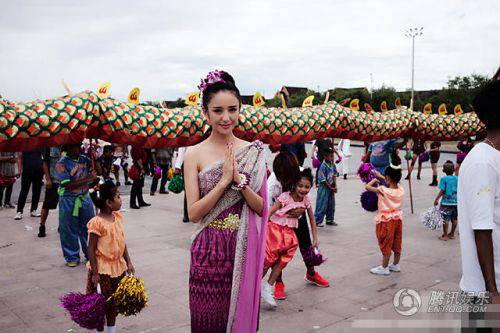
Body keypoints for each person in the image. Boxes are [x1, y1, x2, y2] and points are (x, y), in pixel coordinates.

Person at [184, 70, 267, 332]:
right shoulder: (193, 154)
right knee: (206, 321)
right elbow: (195, 213)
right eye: (218, 110)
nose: (226, 117)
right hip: (207, 250)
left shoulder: (252, 152)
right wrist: (223, 181)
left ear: (241, 109)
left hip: (241, 247)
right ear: (205, 113)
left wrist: (240, 182)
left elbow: (262, 207)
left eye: (232, 109)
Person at [458, 80, 500, 330]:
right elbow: (482, 230)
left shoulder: (494, 157)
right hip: (484, 295)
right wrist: (492, 294)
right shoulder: (483, 162)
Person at [267, 152, 330, 300]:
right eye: (282, 177)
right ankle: (279, 282)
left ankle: (311, 273)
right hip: (279, 221)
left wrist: (301, 211)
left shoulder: (301, 172)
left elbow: (307, 200)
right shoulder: (272, 186)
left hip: (297, 217)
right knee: (278, 251)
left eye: (289, 177)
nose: (286, 180)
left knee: (306, 244)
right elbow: (269, 212)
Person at [262, 168, 319, 307]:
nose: (303, 189)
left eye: (307, 186)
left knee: (283, 261)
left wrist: (315, 239)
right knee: (267, 261)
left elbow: (312, 219)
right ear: (294, 184)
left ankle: (267, 288)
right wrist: (262, 231)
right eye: (300, 185)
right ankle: (251, 287)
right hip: (275, 231)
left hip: (289, 235)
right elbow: (270, 211)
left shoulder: (306, 201)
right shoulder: (285, 197)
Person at [87, 181, 135, 333]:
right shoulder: (97, 223)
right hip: (102, 270)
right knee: (103, 304)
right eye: (118, 197)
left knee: (114, 304)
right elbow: (91, 248)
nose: (121, 200)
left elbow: (122, 241)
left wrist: (128, 261)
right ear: (108, 202)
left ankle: (111, 331)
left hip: (117, 267)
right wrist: (95, 273)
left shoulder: (117, 217)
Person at [56, 143, 96, 267]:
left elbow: (97, 171)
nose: (78, 149)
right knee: (69, 228)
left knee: (89, 227)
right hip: (68, 199)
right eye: (74, 146)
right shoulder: (61, 164)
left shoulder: (85, 159)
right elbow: (66, 185)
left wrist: (95, 158)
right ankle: (71, 256)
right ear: (67, 148)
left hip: (84, 197)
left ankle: (90, 254)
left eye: (79, 146)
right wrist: (88, 179)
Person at [366, 153, 404, 276]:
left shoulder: (383, 190)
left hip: (386, 220)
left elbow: (367, 187)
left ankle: (384, 267)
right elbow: (392, 182)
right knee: (397, 241)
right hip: (397, 219)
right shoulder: (400, 189)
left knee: (386, 242)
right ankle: (396, 264)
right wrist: (382, 176)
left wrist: (374, 179)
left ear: (387, 178)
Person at [38, 146, 62, 238]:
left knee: (63, 204)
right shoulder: (50, 146)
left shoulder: (66, 146)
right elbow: (45, 162)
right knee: (47, 204)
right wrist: (48, 179)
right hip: (53, 180)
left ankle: (61, 225)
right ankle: (42, 226)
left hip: (65, 181)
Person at [14, 149, 43, 220]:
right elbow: (19, 158)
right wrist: (19, 170)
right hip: (27, 171)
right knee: (24, 191)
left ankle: (33, 210)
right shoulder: (24, 144)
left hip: (38, 171)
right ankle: (19, 211)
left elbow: (43, 158)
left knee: (36, 191)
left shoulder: (39, 144)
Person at [434, 161, 458, 241]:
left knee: (446, 219)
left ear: (444, 170)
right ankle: (452, 233)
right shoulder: (457, 178)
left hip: (446, 202)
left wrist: (436, 199)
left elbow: (442, 190)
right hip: (456, 202)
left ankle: (445, 235)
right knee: (454, 219)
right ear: (453, 170)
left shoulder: (444, 179)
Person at [314, 147, 338, 226]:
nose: (332, 158)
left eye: (332, 156)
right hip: (323, 188)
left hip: (330, 186)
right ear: (325, 156)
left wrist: (335, 185)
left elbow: (334, 174)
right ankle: (317, 221)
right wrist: (330, 187)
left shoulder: (332, 165)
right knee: (322, 204)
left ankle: (330, 219)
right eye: (330, 156)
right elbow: (322, 179)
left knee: (331, 204)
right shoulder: (323, 166)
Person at [174, 147, 189, 222]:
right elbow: (181, 150)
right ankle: (186, 214)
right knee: (188, 190)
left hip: (198, 162)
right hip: (187, 164)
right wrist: (177, 166)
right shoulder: (186, 138)